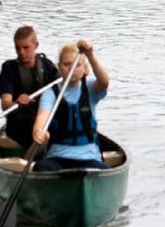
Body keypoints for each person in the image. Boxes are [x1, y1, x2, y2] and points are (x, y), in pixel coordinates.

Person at [32, 39, 110, 172]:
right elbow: (42, 116)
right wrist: (38, 131)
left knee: (105, 170)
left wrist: (90, 54)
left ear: (84, 68)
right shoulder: (51, 92)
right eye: (67, 64)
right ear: (59, 67)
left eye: (77, 65)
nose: (72, 69)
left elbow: (104, 82)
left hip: (89, 158)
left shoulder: (90, 86)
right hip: (58, 158)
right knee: (40, 167)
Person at [0, 26, 59, 150]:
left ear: (36, 45)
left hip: (44, 118)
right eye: (17, 48)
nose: (21, 52)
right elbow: (5, 104)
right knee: (47, 128)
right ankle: (34, 157)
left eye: (26, 47)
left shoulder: (47, 65)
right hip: (19, 123)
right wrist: (17, 102)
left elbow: (64, 86)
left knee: (59, 124)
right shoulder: (9, 69)